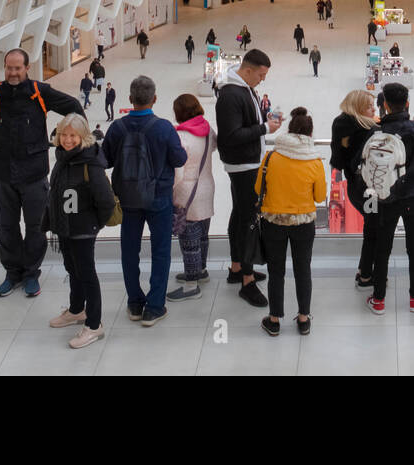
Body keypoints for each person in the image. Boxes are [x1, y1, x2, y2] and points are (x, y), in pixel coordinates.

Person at [0, 49, 84, 298]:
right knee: (6, 226)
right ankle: (12, 273)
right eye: (9, 68)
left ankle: (31, 273)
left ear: (27, 68)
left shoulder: (40, 92)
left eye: (18, 68)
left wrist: (71, 138)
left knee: (35, 227)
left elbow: (73, 106)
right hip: (2, 173)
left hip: (34, 174)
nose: (13, 73)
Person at [101, 76, 187, 324]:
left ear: (129, 99)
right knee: (161, 251)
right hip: (159, 198)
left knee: (129, 251)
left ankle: (135, 303)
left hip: (127, 199)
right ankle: (155, 306)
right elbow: (179, 159)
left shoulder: (117, 127)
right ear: (155, 99)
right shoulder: (163, 128)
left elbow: (105, 160)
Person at [216, 49, 282, 307]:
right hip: (243, 166)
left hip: (246, 163)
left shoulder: (243, 89)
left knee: (240, 216)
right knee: (250, 221)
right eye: (261, 75)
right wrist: (265, 128)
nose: (262, 80)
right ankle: (247, 279)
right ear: (248, 70)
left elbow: (244, 123)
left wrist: (264, 121)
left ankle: (237, 267)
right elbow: (231, 136)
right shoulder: (231, 95)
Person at [43, 114, 115, 348]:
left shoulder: (89, 162)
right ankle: (76, 310)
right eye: (64, 134)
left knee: (86, 274)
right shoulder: (62, 158)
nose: (67, 139)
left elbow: (105, 201)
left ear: (82, 136)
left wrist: (92, 225)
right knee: (72, 269)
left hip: (82, 230)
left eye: (73, 135)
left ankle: (94, 325)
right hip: (65, 227)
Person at [367, 83, 414, 314]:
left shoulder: (376, 131)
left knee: (382, 247)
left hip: (385, 196)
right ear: (407, 103)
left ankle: (378, 300)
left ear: (385, 104)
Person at [257, 107, 326, 336]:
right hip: (303, 222)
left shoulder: (271, 157)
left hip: (274, 221)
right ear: (309, 134)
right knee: (302, 269)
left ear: (289, 129)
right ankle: (303, 318)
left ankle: (275, 319)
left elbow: (258, 189)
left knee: (276, 271)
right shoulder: (315, 161)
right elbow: (318, 197)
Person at [168, 93, 217, 300]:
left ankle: (191, 284)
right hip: (207, 188)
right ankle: (200, 270)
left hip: (187, 194)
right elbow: (213, 147)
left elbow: (177, 172)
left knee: (189, 242)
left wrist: (170, 192)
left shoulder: (181, 137)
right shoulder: (207, 129)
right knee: (203, 236)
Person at [332, 90, 381, 287]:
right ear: (359, 107)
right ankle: (366, 275)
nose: (373, 109)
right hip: (369, 190)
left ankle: (364, 269)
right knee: (373, 229)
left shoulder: (340, 124)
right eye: (370, 105)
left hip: (354, 187)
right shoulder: (368, 129)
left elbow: (337, 159)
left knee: (371, 227)